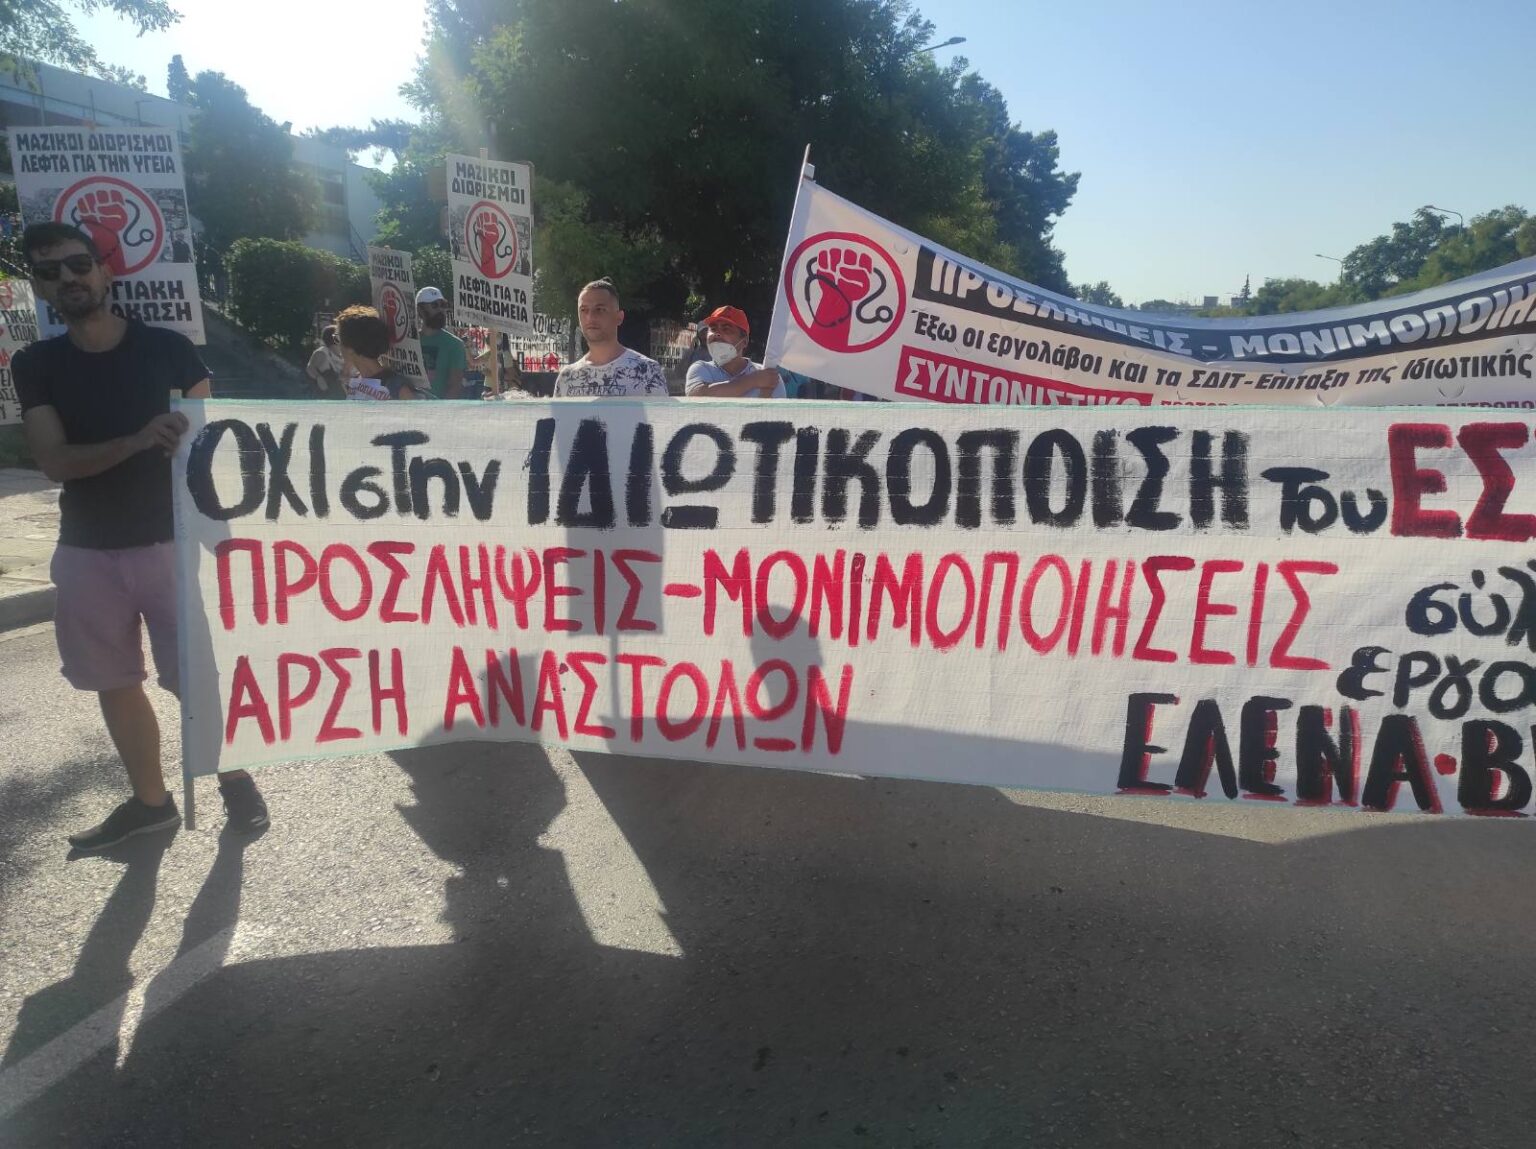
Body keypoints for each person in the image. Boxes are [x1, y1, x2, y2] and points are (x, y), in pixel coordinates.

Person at [12, 221, 268, 851]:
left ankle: (234, 779)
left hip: (171, 545)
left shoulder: (170, 350)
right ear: (39, 287)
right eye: (49, 271)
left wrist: (225, 540)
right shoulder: (35, 364)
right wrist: (136, 441)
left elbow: (215, 451)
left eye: (78, 264)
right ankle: (151, 804)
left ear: (106, 271)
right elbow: (54, 460)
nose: (67, 279)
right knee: (113, 680)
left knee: (195, 677)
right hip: (86, 550)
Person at [553, 278, 668, 397]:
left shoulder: (647, 372)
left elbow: (660, 410)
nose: (590, 317)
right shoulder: (566, 378)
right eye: (584, 310)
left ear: (619, 317)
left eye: (600, 309)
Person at [684, 306, 784, 398]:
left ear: (744, 341)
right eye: (713, 329)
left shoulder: (769, 376)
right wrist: (753, 380)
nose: (717, 334)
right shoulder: (701, 369)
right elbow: (697, 396)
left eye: (726, 329)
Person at [335, 305, 423, 400]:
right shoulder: (355, 382)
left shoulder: (397, 388)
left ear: (351, 348)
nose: (338, 345)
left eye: (338, 339)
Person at [414, 286, 467, 399]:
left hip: (439, 409)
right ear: (420, 309)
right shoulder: (410, 341)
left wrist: (439, 409)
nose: (441, 310)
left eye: (443, 305)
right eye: (434, 305)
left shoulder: (455, 345)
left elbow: (455, 387)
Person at [304, 324, 345, 398]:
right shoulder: (322, 352)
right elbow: (310, 368)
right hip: (327, 396)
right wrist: (319, 377)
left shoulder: (343, 355)